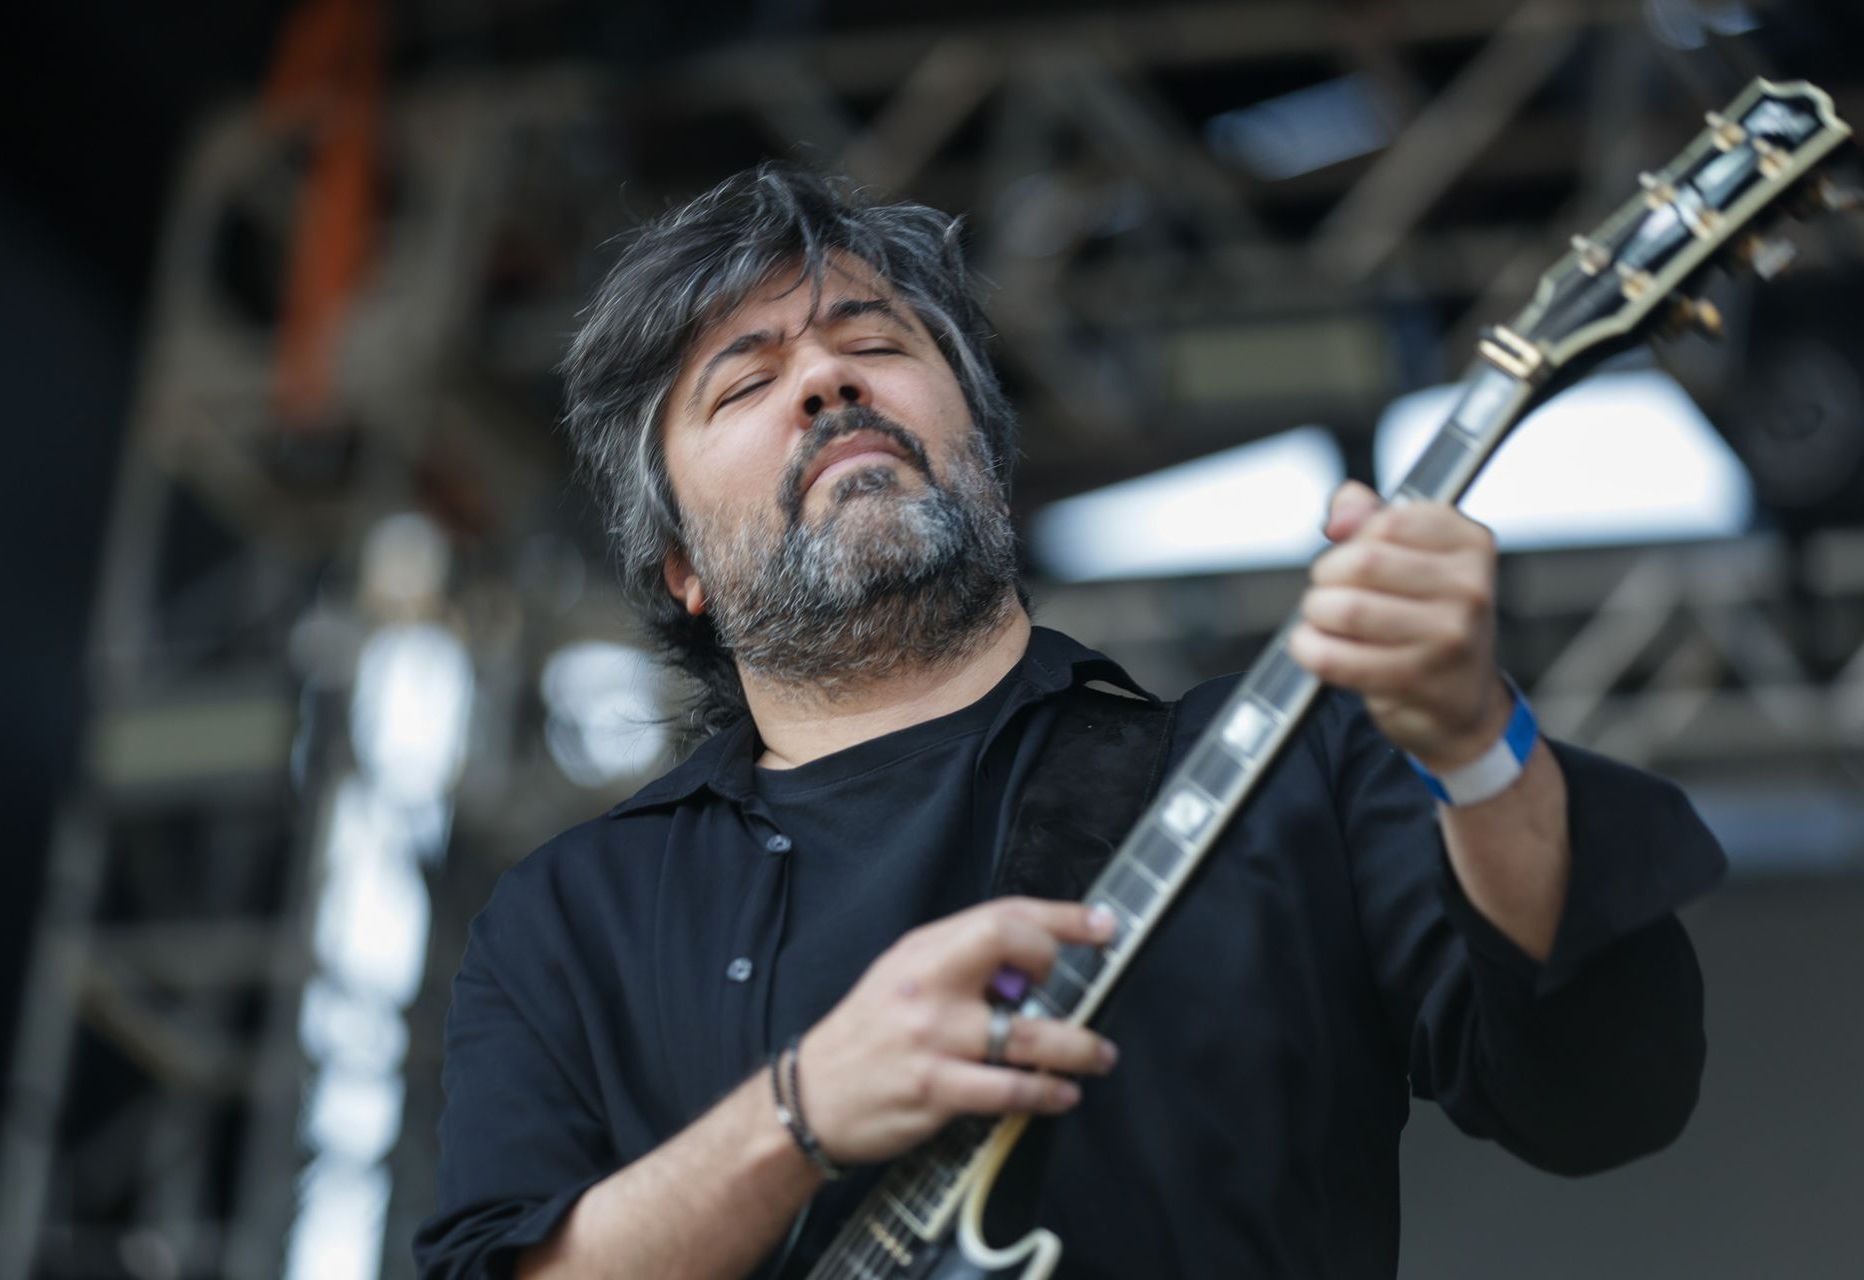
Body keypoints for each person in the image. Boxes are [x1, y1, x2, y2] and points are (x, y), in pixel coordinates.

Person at [414, 164, 1726, 1279]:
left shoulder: (1281, 770)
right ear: (678, 568)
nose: (826, 382)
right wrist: (799, 1115)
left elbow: (1612, 1090)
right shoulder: (567, 921)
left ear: (983, 447)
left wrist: (1469, 742)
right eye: (745, 383)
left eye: (874, 344)